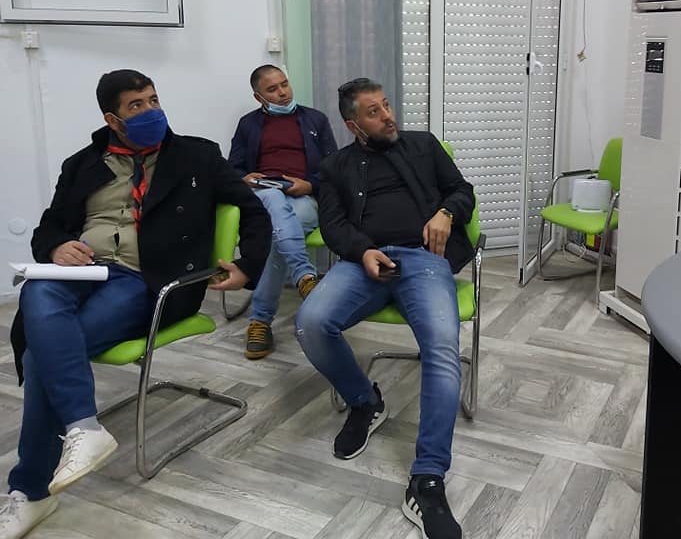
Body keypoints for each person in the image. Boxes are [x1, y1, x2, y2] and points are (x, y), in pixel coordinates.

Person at [1, 70, 270, 539]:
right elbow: (50, 227)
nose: (151, 111)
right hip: (83, 269)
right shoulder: (82, 164)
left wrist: (248, 266)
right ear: (113, 119)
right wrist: (57, 247)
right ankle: (84, 428)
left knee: (42, 352)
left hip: (147, 280)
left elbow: (253, 212)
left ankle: (31, 490)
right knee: (38, 289)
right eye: (136, 106)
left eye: (153, 100)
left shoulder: (197, 155)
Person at [295, 78, 475, 539]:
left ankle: (427, 477)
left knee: (441, 347)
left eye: (387, 105)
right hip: (364, 262)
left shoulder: (423, 145)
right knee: (311, 322)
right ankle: (365, 402)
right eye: (374, 112)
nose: (388, 116)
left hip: (424, 258)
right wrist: (362, 251)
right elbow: (333, 224)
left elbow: (462, 190)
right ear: (353, 125)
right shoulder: (334, 167)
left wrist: (446, 213)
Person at [228, 64, 337, 359]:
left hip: (303, 197)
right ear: (258, 97)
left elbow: (334, 170)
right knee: (272, 197)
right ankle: (304, 275)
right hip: (263, 195)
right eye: (272, 89)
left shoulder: (315, 119)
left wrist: (309, 184)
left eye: (284, 84)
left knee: (278, 236)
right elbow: (232, 169)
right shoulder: (248, 124)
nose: (282, 93)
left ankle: (260, 320)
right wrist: (246, 178)